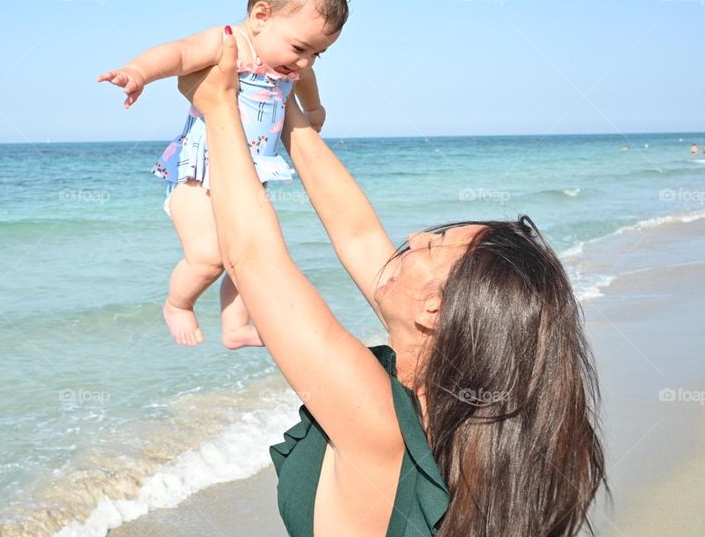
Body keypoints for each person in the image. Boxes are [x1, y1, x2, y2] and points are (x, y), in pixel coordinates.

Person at [179, 28, 607, 535]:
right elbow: (356, 232)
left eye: (432, 245)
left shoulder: (380, 422)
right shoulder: (453, 409)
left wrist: (218, 104)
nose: (412, 237)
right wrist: (281, 104)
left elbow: (254, 259)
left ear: (434, 310)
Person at [98, 0, 345, 348]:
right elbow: (178, 53)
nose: (304, 62)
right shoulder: (229, 42)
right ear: (261, 16)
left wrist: (313, 110)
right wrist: (139, 72)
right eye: (300, 47)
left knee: (247, 254)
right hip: (199, 177)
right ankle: (179, 304)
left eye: (317, 52)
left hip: (246, 178)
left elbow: (307, 80)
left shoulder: (290, 63)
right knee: (209, 256)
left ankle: (234, 328)